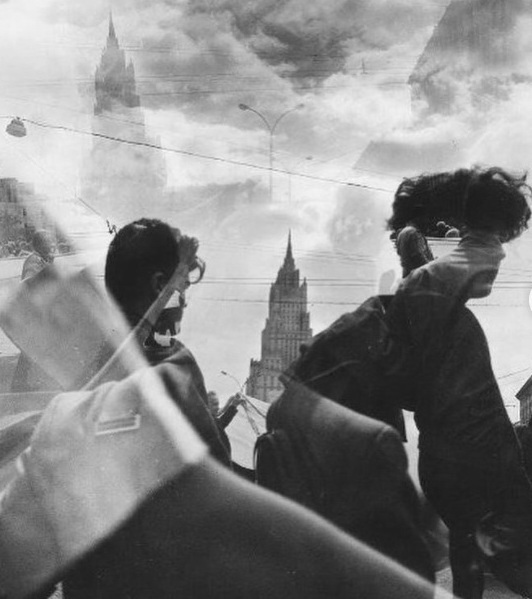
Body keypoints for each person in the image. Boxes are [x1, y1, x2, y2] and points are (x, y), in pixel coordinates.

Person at [386, 166, 532, 599]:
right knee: (519, 560)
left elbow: (407, 393)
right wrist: (474, 213)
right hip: (482, 457)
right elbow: (485, 257)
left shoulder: (409, 304)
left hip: (442, 459)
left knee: (470, 552)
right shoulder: (426, 288)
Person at [10, 230, 60, 393]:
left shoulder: (42, 259)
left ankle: (19, 383)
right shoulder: (34, 261)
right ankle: (19, 383)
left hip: (38, 310)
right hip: (32, 312)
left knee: (33, 347)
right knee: (32, 347)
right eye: (48, 242)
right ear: (40, 244)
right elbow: (30, 283)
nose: (52, 245)